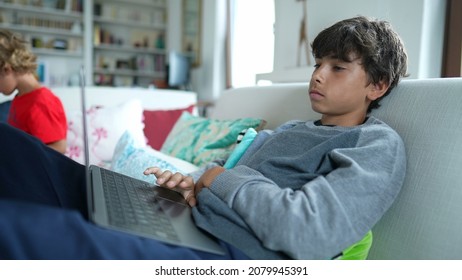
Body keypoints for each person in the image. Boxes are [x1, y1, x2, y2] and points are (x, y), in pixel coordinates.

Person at [0, 16, 407, 259]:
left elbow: (308, 233)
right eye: (318, 63)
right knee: (19, 150)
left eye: (338, 67)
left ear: (378, 85)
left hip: (222, 255)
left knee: (23, 229)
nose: (317, 75)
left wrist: (217, 177)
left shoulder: (375, 145)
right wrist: (193, 186)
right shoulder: (292, 131)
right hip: (185, 218)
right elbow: (223, 187)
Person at [0, 29, 67, 154]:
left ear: (6, 69)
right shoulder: (21, 97)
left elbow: (59, 147)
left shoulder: (41, 102)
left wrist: (23, 156)